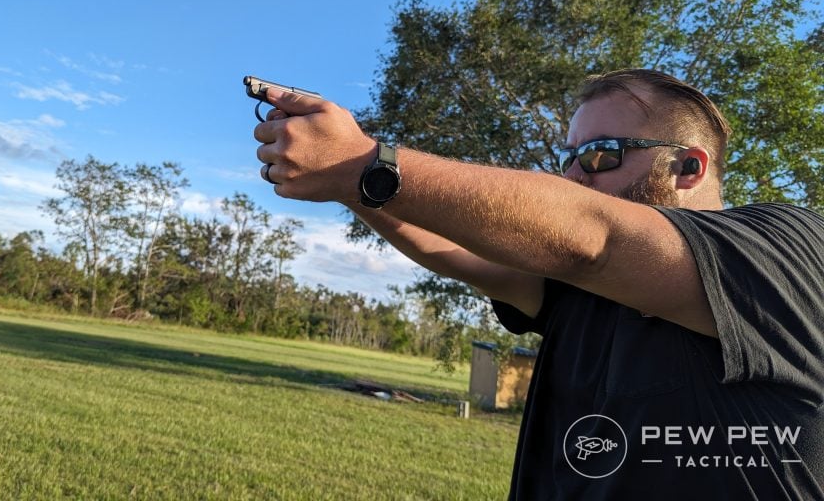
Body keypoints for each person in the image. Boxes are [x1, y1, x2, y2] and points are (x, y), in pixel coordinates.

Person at [253, 69, 824, 499]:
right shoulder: (583, 288)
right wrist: (353, 183)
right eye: (569, 156)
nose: (574, 173)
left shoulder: (784, 244)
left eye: (601, 154)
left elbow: (591, 238)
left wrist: (364, 162)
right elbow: (448, 251)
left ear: (687, 169)